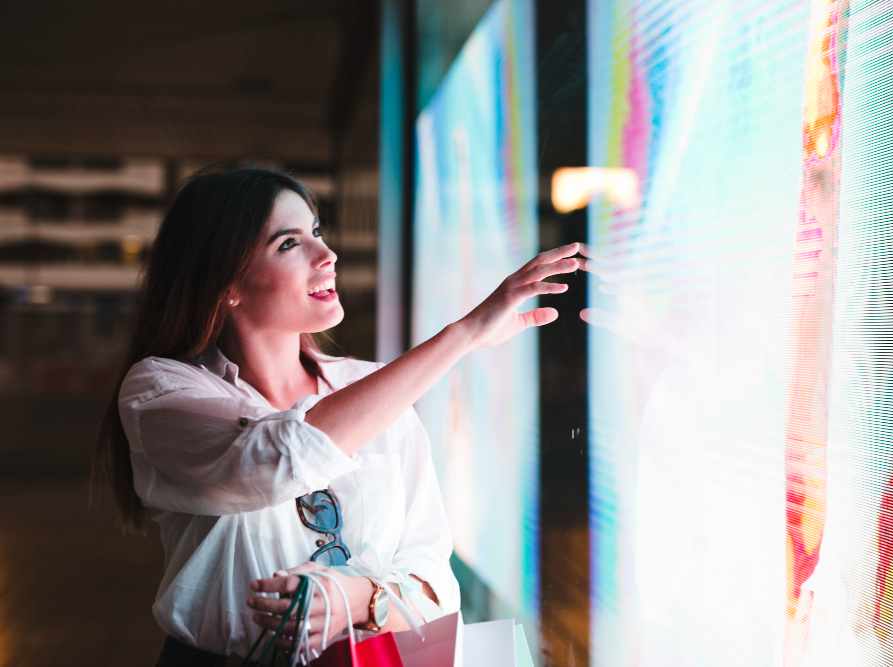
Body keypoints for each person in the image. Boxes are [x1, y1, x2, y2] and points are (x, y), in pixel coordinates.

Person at [92, 166, 587, 665]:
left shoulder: (373, 388)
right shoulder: (160, 390)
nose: (326, 255)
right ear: (226, 284)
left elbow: (436, 584)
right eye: (289, 244)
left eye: (317, 232)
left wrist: (359, 600)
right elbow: (272, 460)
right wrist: (464, 335)